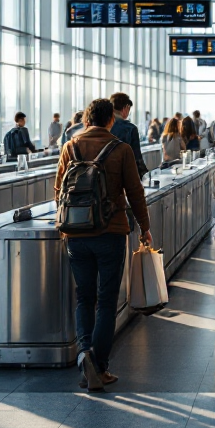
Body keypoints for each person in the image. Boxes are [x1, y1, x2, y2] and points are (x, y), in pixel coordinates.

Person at [55, 97, 151, 390]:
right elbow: (134, 192)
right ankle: (100, 365)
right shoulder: (120, 149)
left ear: (86, 120)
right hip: (110, 232)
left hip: (76, 234)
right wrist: (145, 228)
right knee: (106, 301)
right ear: (111, 120)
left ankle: (84, 353)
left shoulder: (70, 147)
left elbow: (59, 189)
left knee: (84, 297)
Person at [109, 92, 148, 178]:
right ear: (126, 107)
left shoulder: (102, 125)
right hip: (122, 175)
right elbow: (136, 158)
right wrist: (145, 175)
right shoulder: (130, 128)